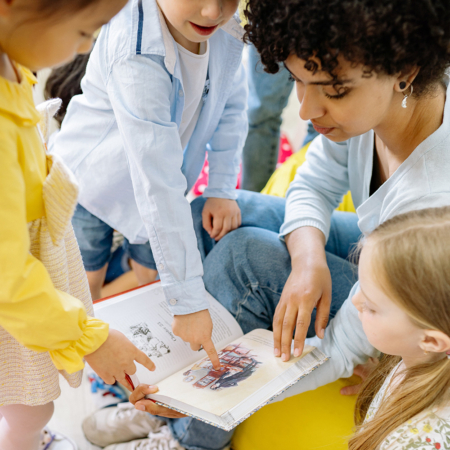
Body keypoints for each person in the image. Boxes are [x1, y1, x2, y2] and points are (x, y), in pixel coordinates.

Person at [164, 0, 450, 444]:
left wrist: (192, 397)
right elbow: (312, 183)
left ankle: (190, 435)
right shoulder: (372, 115)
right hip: (385, 244)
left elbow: (338, 349)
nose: (305, 110)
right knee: (212, 212)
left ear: (405, 72)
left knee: (244, 258)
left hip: (420, 297)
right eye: (298, 81)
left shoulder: (435, 196)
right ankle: (171, 357)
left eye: (332, 90)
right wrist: (307, 257)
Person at [52, 0, 247, 371]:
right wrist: (188, 302)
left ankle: (119, 344)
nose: (212, 12)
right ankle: (90, 361)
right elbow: (157, 183)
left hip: (161, 187)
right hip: (92, 184)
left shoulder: (228, 29)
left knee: (150, 278)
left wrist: (222, 187)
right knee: (84, 283)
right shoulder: (135, 49)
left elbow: (230, 107)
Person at [0, 0, 157, 449]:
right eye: (85, 32)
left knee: (26, 402)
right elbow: (8, 277)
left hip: (27, 287)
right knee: (32, 406)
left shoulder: (13, 62)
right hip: (19, 294)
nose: (85, 47)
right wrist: (91, 339)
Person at [349, 206, 450, 449]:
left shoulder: (417, 442)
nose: (355, 301)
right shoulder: (422, 354)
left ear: (432, 341)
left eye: (371, 307)